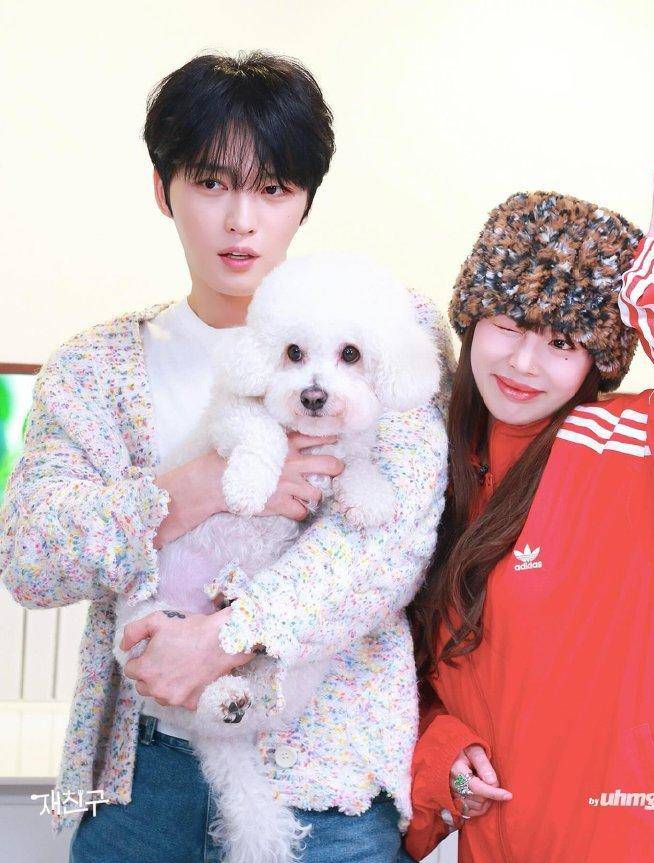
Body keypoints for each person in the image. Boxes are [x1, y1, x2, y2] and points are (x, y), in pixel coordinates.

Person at [0, 51, 451, 862]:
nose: (241, 219)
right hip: (142, 778)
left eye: (272, 189)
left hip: (328, 773)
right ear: (162, 187)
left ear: (305, 200)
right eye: (211, 182)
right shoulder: (96, 366)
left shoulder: (381, 324)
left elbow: (393, 540)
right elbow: (32, 558)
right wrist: (196, 487)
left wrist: (228, 635)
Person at [404, 176, 654, 863]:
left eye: (562, 340)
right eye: (507, 324)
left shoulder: (634, 447)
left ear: (598, 359)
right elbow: (387, 664)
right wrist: (439, 749)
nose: (523, 363)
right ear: (472, 320)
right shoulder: (423, 466)